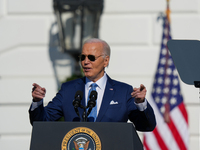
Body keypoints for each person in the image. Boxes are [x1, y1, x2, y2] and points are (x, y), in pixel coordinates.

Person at [29, 38, 156, 131]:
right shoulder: (68, 90)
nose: (85, 62)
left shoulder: (123, 91)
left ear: (105, 61)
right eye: (82, 57)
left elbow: (146, 126)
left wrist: (141, 103)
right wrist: (37, 102)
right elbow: (41, 122)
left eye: (91, 57)